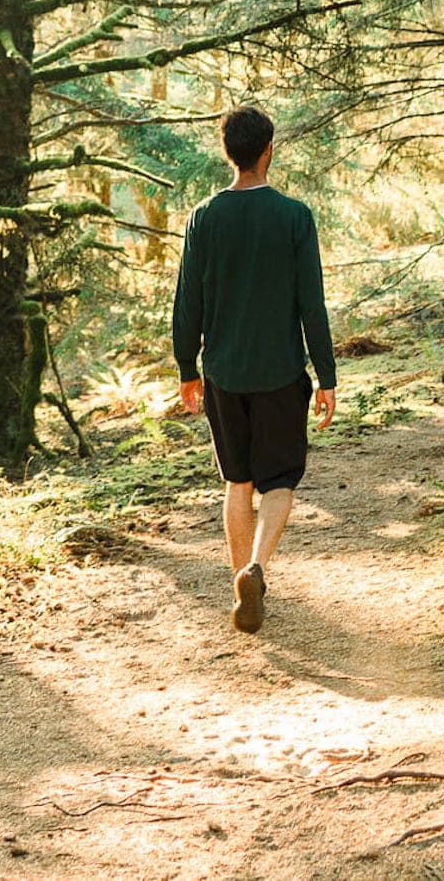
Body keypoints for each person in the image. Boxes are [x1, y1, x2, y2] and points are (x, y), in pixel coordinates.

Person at [173, 105, 338, 634]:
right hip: (282, 373)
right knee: (280, 480)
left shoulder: (204, 216)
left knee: (237, 481)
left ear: (230, 153)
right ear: (268, 150)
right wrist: (327, 375)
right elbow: (310, 302)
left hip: (223, 373)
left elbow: (187, 299)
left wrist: (186, 367)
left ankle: (238, 585)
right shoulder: (294, 216)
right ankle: (257, 569)